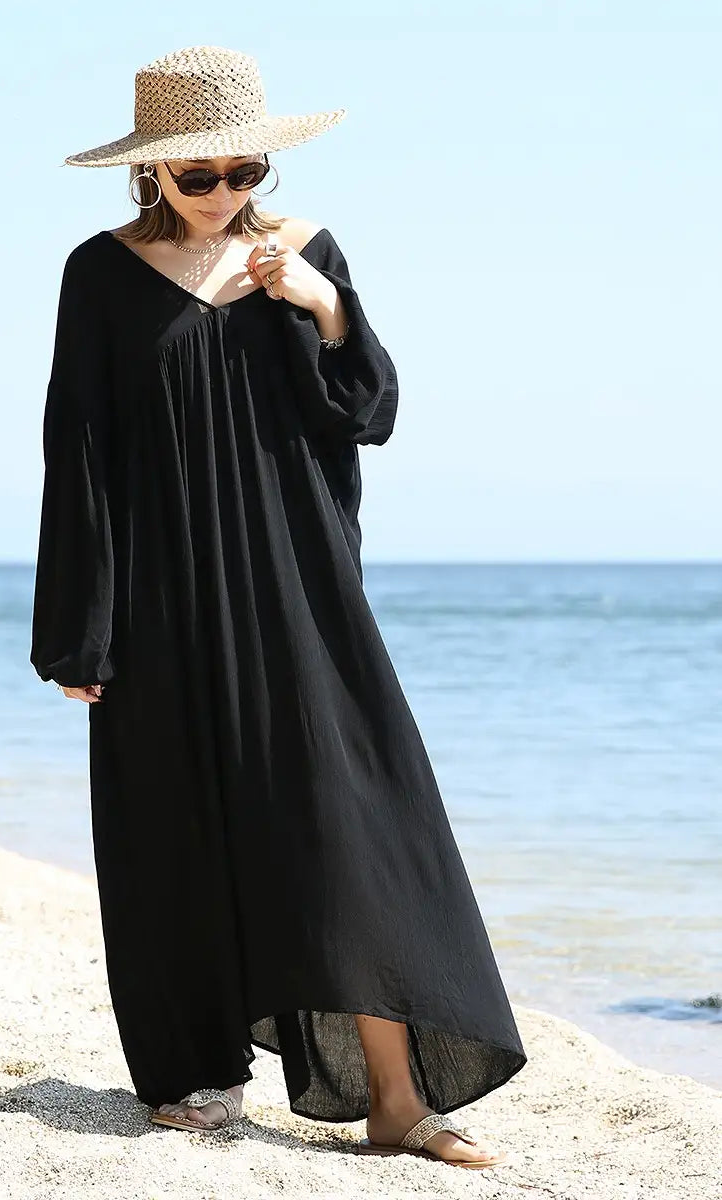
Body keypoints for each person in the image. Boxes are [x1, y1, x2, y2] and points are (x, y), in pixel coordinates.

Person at [30, 44, 526, 1169]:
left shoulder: (303, 255)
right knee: (173, 825)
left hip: (301, 582)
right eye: (197, 175)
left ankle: (397, 1097)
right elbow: (80, 447)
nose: (223, 193)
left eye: (243, 170)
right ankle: (196, 1073)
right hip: (159, 594)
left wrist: (325, 306)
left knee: (350, 821)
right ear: (151, 171)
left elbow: (367, 414)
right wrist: (78, 627)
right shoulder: (99, 273)